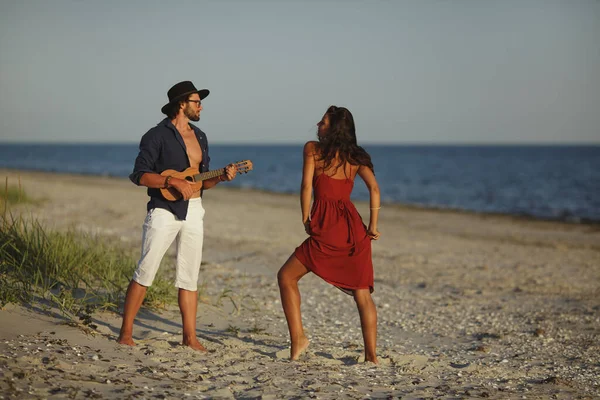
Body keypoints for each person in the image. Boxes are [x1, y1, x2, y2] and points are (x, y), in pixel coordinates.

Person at [117, 81, 237, 351]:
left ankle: (190, 337)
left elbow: (201, 181)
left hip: (195, 210)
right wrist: (171, 181)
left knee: (189, 276)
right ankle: (125, 333)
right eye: (196, 102)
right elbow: (139, 175)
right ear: (182, 104)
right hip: (164, 209)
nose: (201, 106)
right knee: (146, 269)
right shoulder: (156, 135)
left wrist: (221, 177)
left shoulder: (201, 136)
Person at [277, 105, 381, 363]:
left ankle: (298, 339)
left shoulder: (312, 149)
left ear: (333, 128)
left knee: (286, 277)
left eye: (323, 122)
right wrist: (372, 226)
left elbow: (305, 186)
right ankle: (371, 356)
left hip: (326, 228)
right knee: (362, 294)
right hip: (352, 230)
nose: (318, 125)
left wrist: (305, 218)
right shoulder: (355, 158)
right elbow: (375, 190)